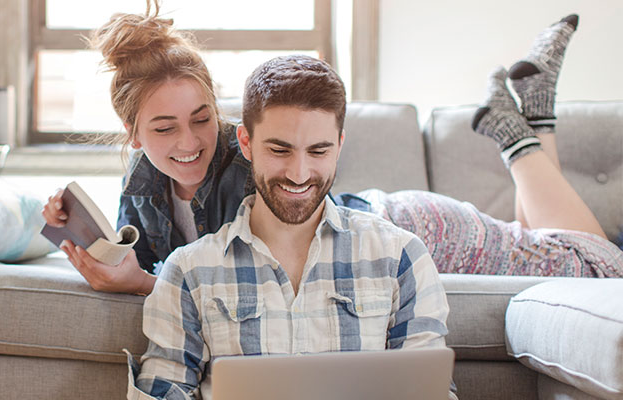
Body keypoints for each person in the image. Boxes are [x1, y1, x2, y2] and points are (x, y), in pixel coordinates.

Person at [42, 8, 622, 295]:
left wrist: (140, 285)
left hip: (409, 230)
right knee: (551, 260)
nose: (191, 143)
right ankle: (537, 107)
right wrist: (74, 233)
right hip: (384, 238)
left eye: (202, 119)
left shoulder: (246, 167)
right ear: (133, 131)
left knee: (604, 271)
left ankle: (512, 133)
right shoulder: (141, 185)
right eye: (164, 129)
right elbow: (135, 255)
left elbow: (225, 279)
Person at [126, 54, 454, 400]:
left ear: (339, 146)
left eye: (318, 151)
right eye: (280, 150)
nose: (299, 174)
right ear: (247, 143)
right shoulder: (189, 271)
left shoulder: (400, 257)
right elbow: (163, 391)